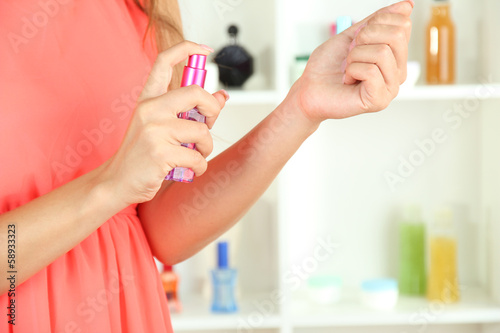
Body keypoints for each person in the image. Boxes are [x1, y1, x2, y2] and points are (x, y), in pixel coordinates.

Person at [0, 0, 414, 331]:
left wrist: (302, 108)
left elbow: (159, 231)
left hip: (127, 313)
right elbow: (117, 190)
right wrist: (111, 185)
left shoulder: (147, 6)